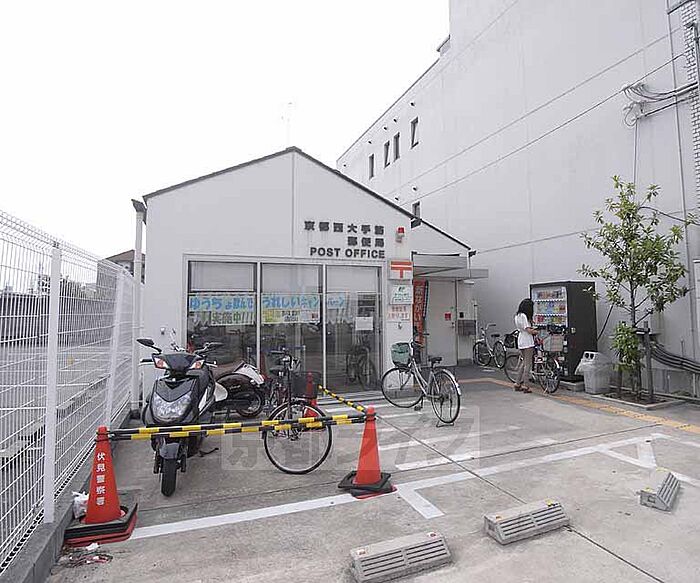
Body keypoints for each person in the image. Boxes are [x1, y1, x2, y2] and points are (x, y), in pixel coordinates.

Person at [514, 298, 538, 393]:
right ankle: (526, 385)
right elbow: (528, 330)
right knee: (528, 364)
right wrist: (536, 331)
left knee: (524, 363)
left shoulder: (517, 316)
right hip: (527, 341)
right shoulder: (524, 316)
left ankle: (517, 383)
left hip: (520, 340)